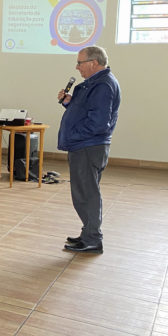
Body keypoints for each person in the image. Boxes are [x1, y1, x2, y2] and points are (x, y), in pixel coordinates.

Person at [58, 46, 120, 254]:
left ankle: (93, 239)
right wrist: (69, 103)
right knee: (83, 192)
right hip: (84, 145)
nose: (77, 67)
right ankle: (88, 233)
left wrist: (73, 134)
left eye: (80, 63)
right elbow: (86, 111)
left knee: (87, 193)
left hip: (87, 146)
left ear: (93, 63)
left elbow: (98, 123)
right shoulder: (95, 83)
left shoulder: (103, 85)